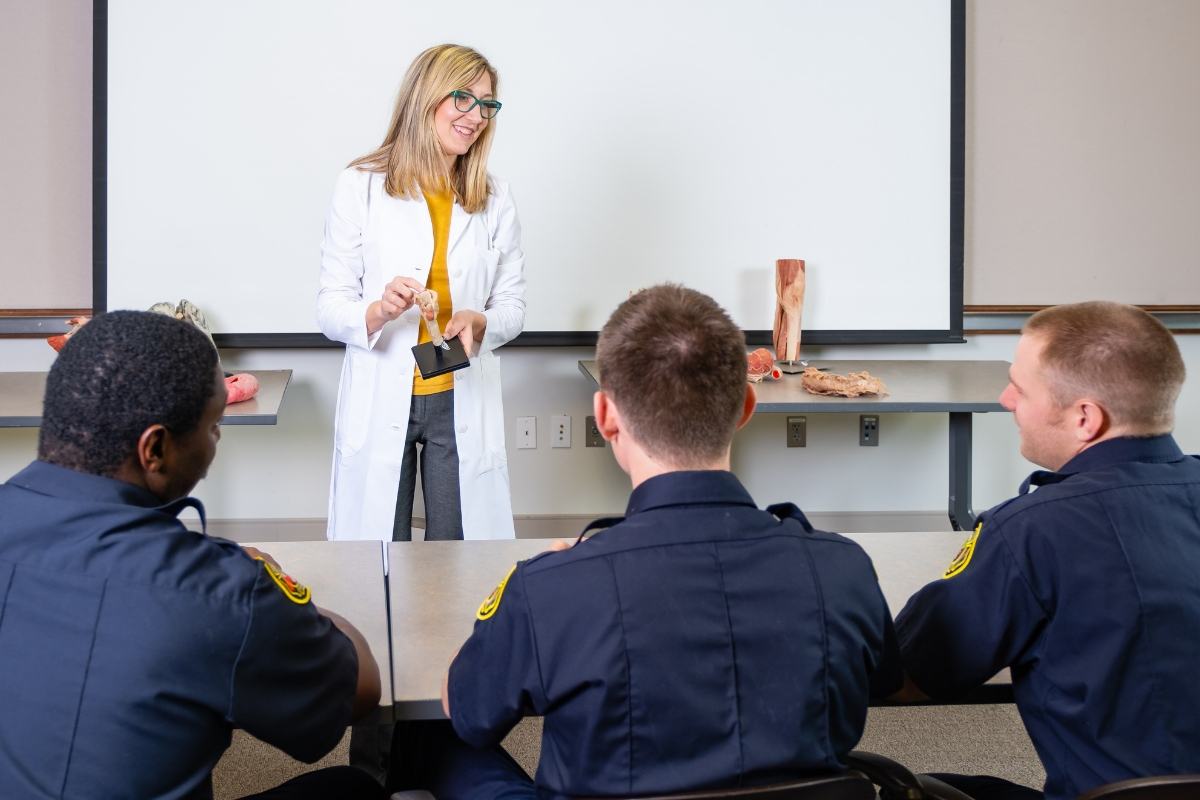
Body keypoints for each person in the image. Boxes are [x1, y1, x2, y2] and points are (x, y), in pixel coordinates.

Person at [388, 285, 904, 799]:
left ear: (605, 417)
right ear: (746, 407)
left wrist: (517, 599)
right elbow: (885, 682)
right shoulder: (844, 571)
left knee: (427, 730)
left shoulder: (552, 589)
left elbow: (467, 708)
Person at [0, 312, 388, 800]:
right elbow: (358, 688)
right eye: (214, 426)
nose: (216, 441)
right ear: (155, 449)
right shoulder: (217, 589)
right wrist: (269, 584)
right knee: (353, 791)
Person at [891, 302, 1200, 800]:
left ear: (1085, 418)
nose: (1006, 399)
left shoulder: (1030, 530)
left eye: (1021, 388)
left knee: (899, 787)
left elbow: (909, 674)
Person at [317, 41, 525, 547]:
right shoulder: (360, 185)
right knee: (377, 556)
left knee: (458, 554)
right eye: (463, 98)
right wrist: (379, 310)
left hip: (458, 395)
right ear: (425, 96)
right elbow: (330, 308)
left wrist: (483, 323)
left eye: (486, 104)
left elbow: (513, 309)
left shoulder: (493, 198)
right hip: (384, 389)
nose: (476, 116)